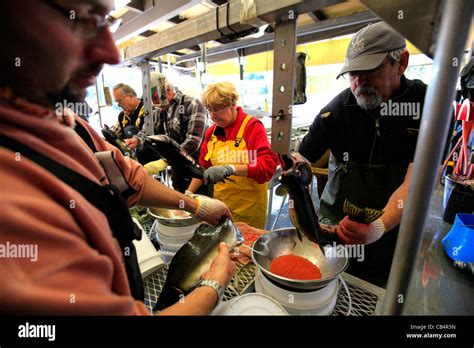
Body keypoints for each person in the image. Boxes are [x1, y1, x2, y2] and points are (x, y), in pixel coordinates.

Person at [0, 0, 235, 315]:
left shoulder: (72, 126)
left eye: (105, 22)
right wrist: (213, 284)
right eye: (85, 20)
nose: (111, 53)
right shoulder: (12, 202)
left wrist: (195, 204)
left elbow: (129, 179)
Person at [298, 22, 428, 287]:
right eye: (353, 74)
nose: (359, 84)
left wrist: (378, 227)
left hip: (392, 233)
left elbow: (420, 181)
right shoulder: (335, 112)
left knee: (381, 291)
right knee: (329, 286)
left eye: (369, 72)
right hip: (335, 229)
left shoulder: (428, 106)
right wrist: (297, 201)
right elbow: (301, 159)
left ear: (401, 63)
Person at [187, 82, 279, 229]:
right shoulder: (211, 133)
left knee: (244, 248)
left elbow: (265, 168)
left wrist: (231, 169)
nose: (213, 116)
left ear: (233, 104)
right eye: (209, 110)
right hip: (221, 207)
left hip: (249, 209)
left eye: (217, 109)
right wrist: (188, 194)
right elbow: (203, 167)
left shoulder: (252, 128)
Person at [126, 73, 208, 194]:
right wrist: (136, 140)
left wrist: (165, 161)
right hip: (178, 171)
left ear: (167, 90)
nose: (153, 103)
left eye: (154, 98)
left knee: (202, 207)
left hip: (197, 171)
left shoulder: (192, 104)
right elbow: (146, 131)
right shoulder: (158, 111)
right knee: (181, 205)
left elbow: (193, 141)